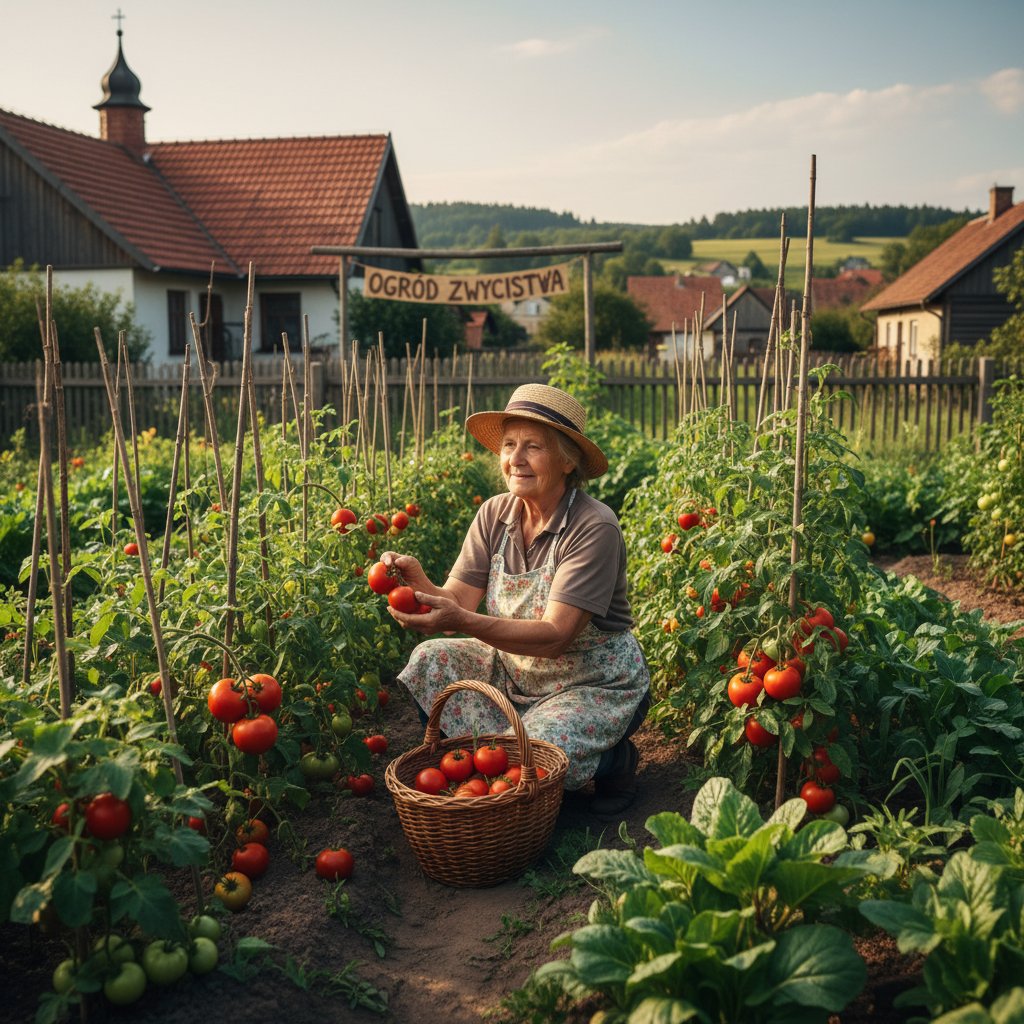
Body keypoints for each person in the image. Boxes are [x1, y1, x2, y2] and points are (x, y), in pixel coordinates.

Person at [382, 382, 651, 815]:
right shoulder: (495, 513)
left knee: (534, 755)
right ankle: (478, 784)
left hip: (591, 684)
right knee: (430, 659)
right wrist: (419, 586)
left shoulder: (593, 527)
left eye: (533, 447)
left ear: (568, 460)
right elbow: (457, 603)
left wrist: (462, 620)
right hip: (514, 671)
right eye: (509, 445)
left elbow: (556, 636)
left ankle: (615, 761)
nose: (515, 459)